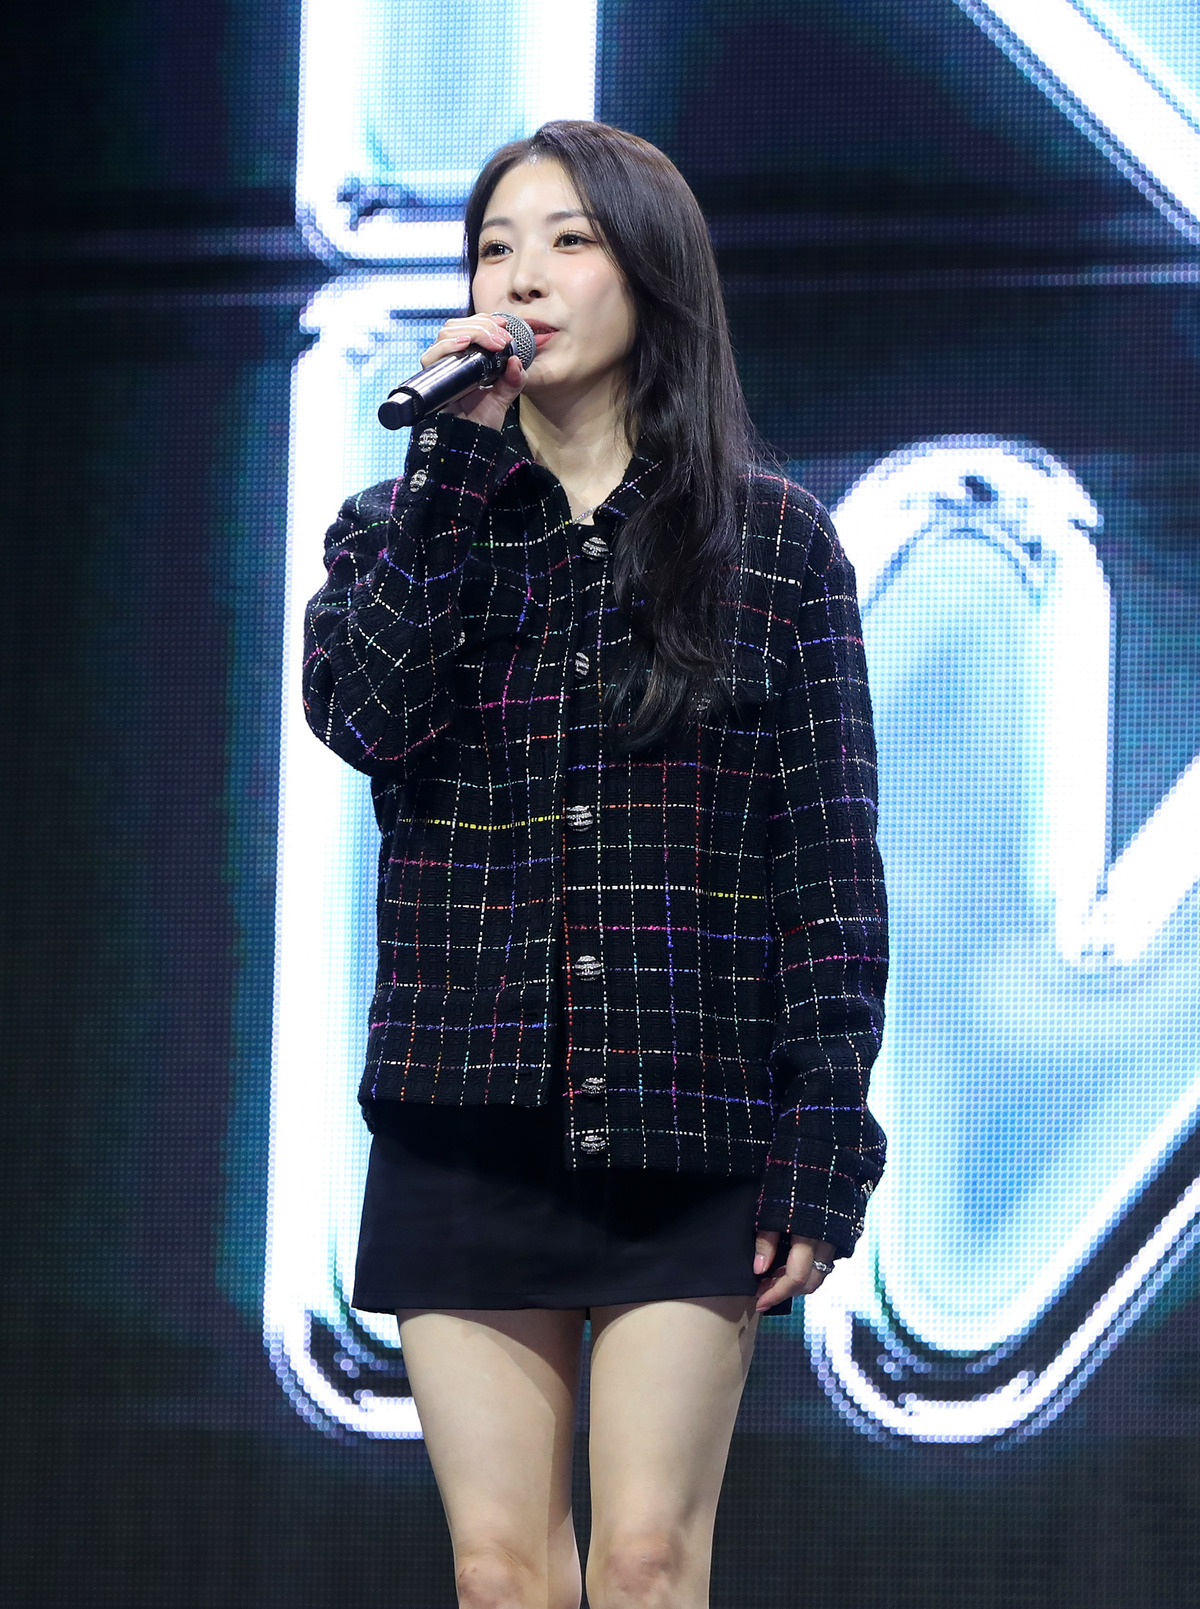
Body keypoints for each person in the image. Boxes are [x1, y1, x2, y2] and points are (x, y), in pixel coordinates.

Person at [303, 120, 887, 1609]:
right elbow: (365, 717)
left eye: (569, 241)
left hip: (686, 1115)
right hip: (464, 1112)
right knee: (502, 1575)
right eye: (496, 248)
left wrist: (824, 1131)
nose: (524, 278)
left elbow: (829, 867)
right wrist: (449, 469)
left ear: (651, 273)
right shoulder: (393, 531)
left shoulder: (774, 547)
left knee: (641, 1561)